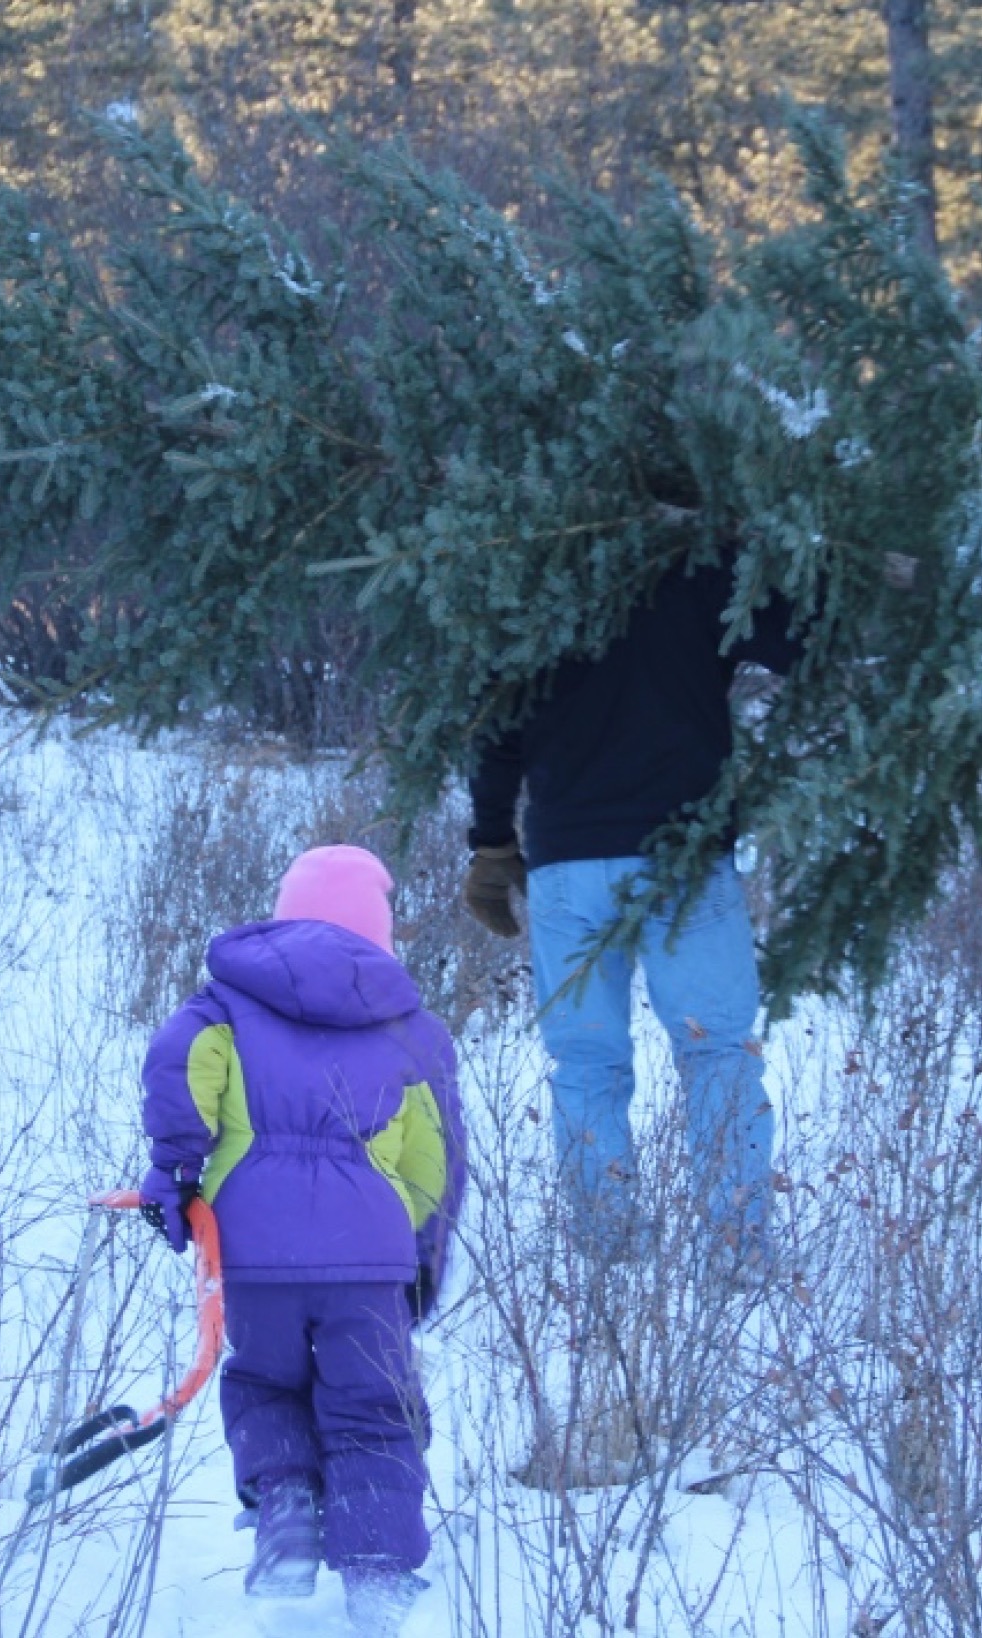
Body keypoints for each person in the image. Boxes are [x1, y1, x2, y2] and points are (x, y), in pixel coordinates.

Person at [139, 844, 466, 1636]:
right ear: (381, 932)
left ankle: (286, 1515)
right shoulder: (410, 1030)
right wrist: (421, 1255)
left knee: (266, 1383)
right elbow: (434, 1159)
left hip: (253, 1253)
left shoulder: (224, 1005)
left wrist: (174, 1173)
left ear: (284, 915)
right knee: (375, 1406)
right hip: (370, 1259)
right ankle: (380, 1573)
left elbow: (180, 1066)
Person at [462, 556, 801, 1267]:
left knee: (585, 1060)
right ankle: (737, 1244)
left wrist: (493, 841)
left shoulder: (538, 582)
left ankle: (605, 1247)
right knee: (716, 1053)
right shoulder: (700, 572)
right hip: (685, 858)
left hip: (569, 866)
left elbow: (495, 727)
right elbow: (793, 641)